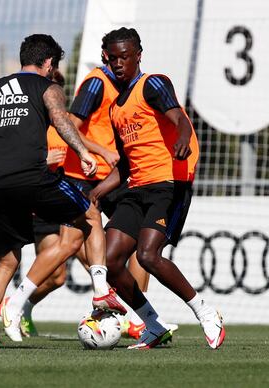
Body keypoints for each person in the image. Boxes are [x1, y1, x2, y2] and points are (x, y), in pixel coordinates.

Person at [0, 34, 125, 350]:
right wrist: (83, 152)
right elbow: (60, 119)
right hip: (32, 179)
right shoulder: (47, 87)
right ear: (49, 63)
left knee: (6, 261)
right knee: (90, 212)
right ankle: (97, 289)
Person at [18, 54, 176, 340]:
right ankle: (19, 305)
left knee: (135, 244)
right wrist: (94, 153)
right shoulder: (93, 87)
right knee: (63, 268)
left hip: (105, 177)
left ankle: (139, 317)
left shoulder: (130, 92)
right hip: (72, 182)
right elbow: (68, 130)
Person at [90, 27, 225, 349]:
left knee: (148, 255)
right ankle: (153, 325)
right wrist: (97, 192)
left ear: (138, 55)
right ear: (105, 59)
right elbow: (125, 162)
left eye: (125, 56)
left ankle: (206, 313)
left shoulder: (153, 84)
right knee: (109, 262)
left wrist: (182, 137)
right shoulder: (115, 108)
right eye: (113, 58)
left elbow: (178, 116)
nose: (119, 63)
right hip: (136, 188)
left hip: (168, 184)